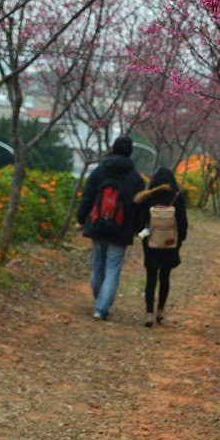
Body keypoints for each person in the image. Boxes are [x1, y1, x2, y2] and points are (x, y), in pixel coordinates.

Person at [77, 136, 145, 320]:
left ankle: (100, 301)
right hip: (120, 231)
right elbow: (139, 207)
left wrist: (80, 218)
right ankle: (102, 308)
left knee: (97, 266)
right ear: (130, 153)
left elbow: (87, 196)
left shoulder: (100, 171)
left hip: (98, 226)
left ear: (113, 149)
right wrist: (139, 228)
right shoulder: (136, 178)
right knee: (113, 269)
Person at [135, 166, 188, 327]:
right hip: (170, 244)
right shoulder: (177, 197)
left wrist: (143, 236)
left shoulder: (149, 196)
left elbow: (140, 223)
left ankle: (149, 314)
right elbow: (182, 223)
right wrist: (179, 241)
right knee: (165, 278)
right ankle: (160, 311)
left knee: (151, 277)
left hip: (151, 243)